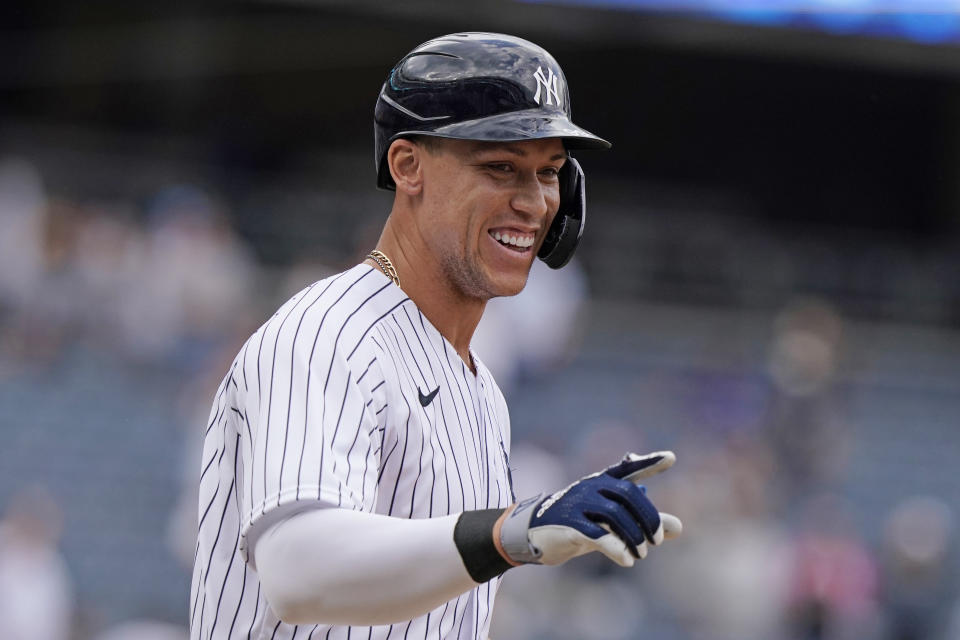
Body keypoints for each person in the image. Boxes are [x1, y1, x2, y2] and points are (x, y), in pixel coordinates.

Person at [190, 32, 682, 640]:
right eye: (500, 166)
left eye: (550, 172)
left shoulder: (483, 394)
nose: (533, 202)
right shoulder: (327, 336)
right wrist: (512, 531)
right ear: (407, 166)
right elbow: (298, 569)